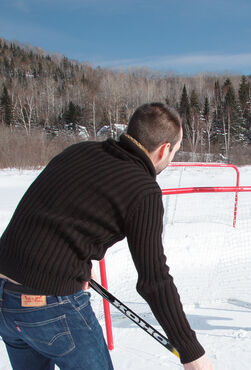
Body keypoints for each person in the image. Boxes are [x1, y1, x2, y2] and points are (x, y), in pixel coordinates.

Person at [0, 103, 213, 370]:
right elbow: (154, 280)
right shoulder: (143, 190)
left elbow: (54, 215)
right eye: (175, 151)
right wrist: (190, 351)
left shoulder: (80, 151)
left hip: (4, 298)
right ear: (163, 149)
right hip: (49, 306)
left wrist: (75, 266)